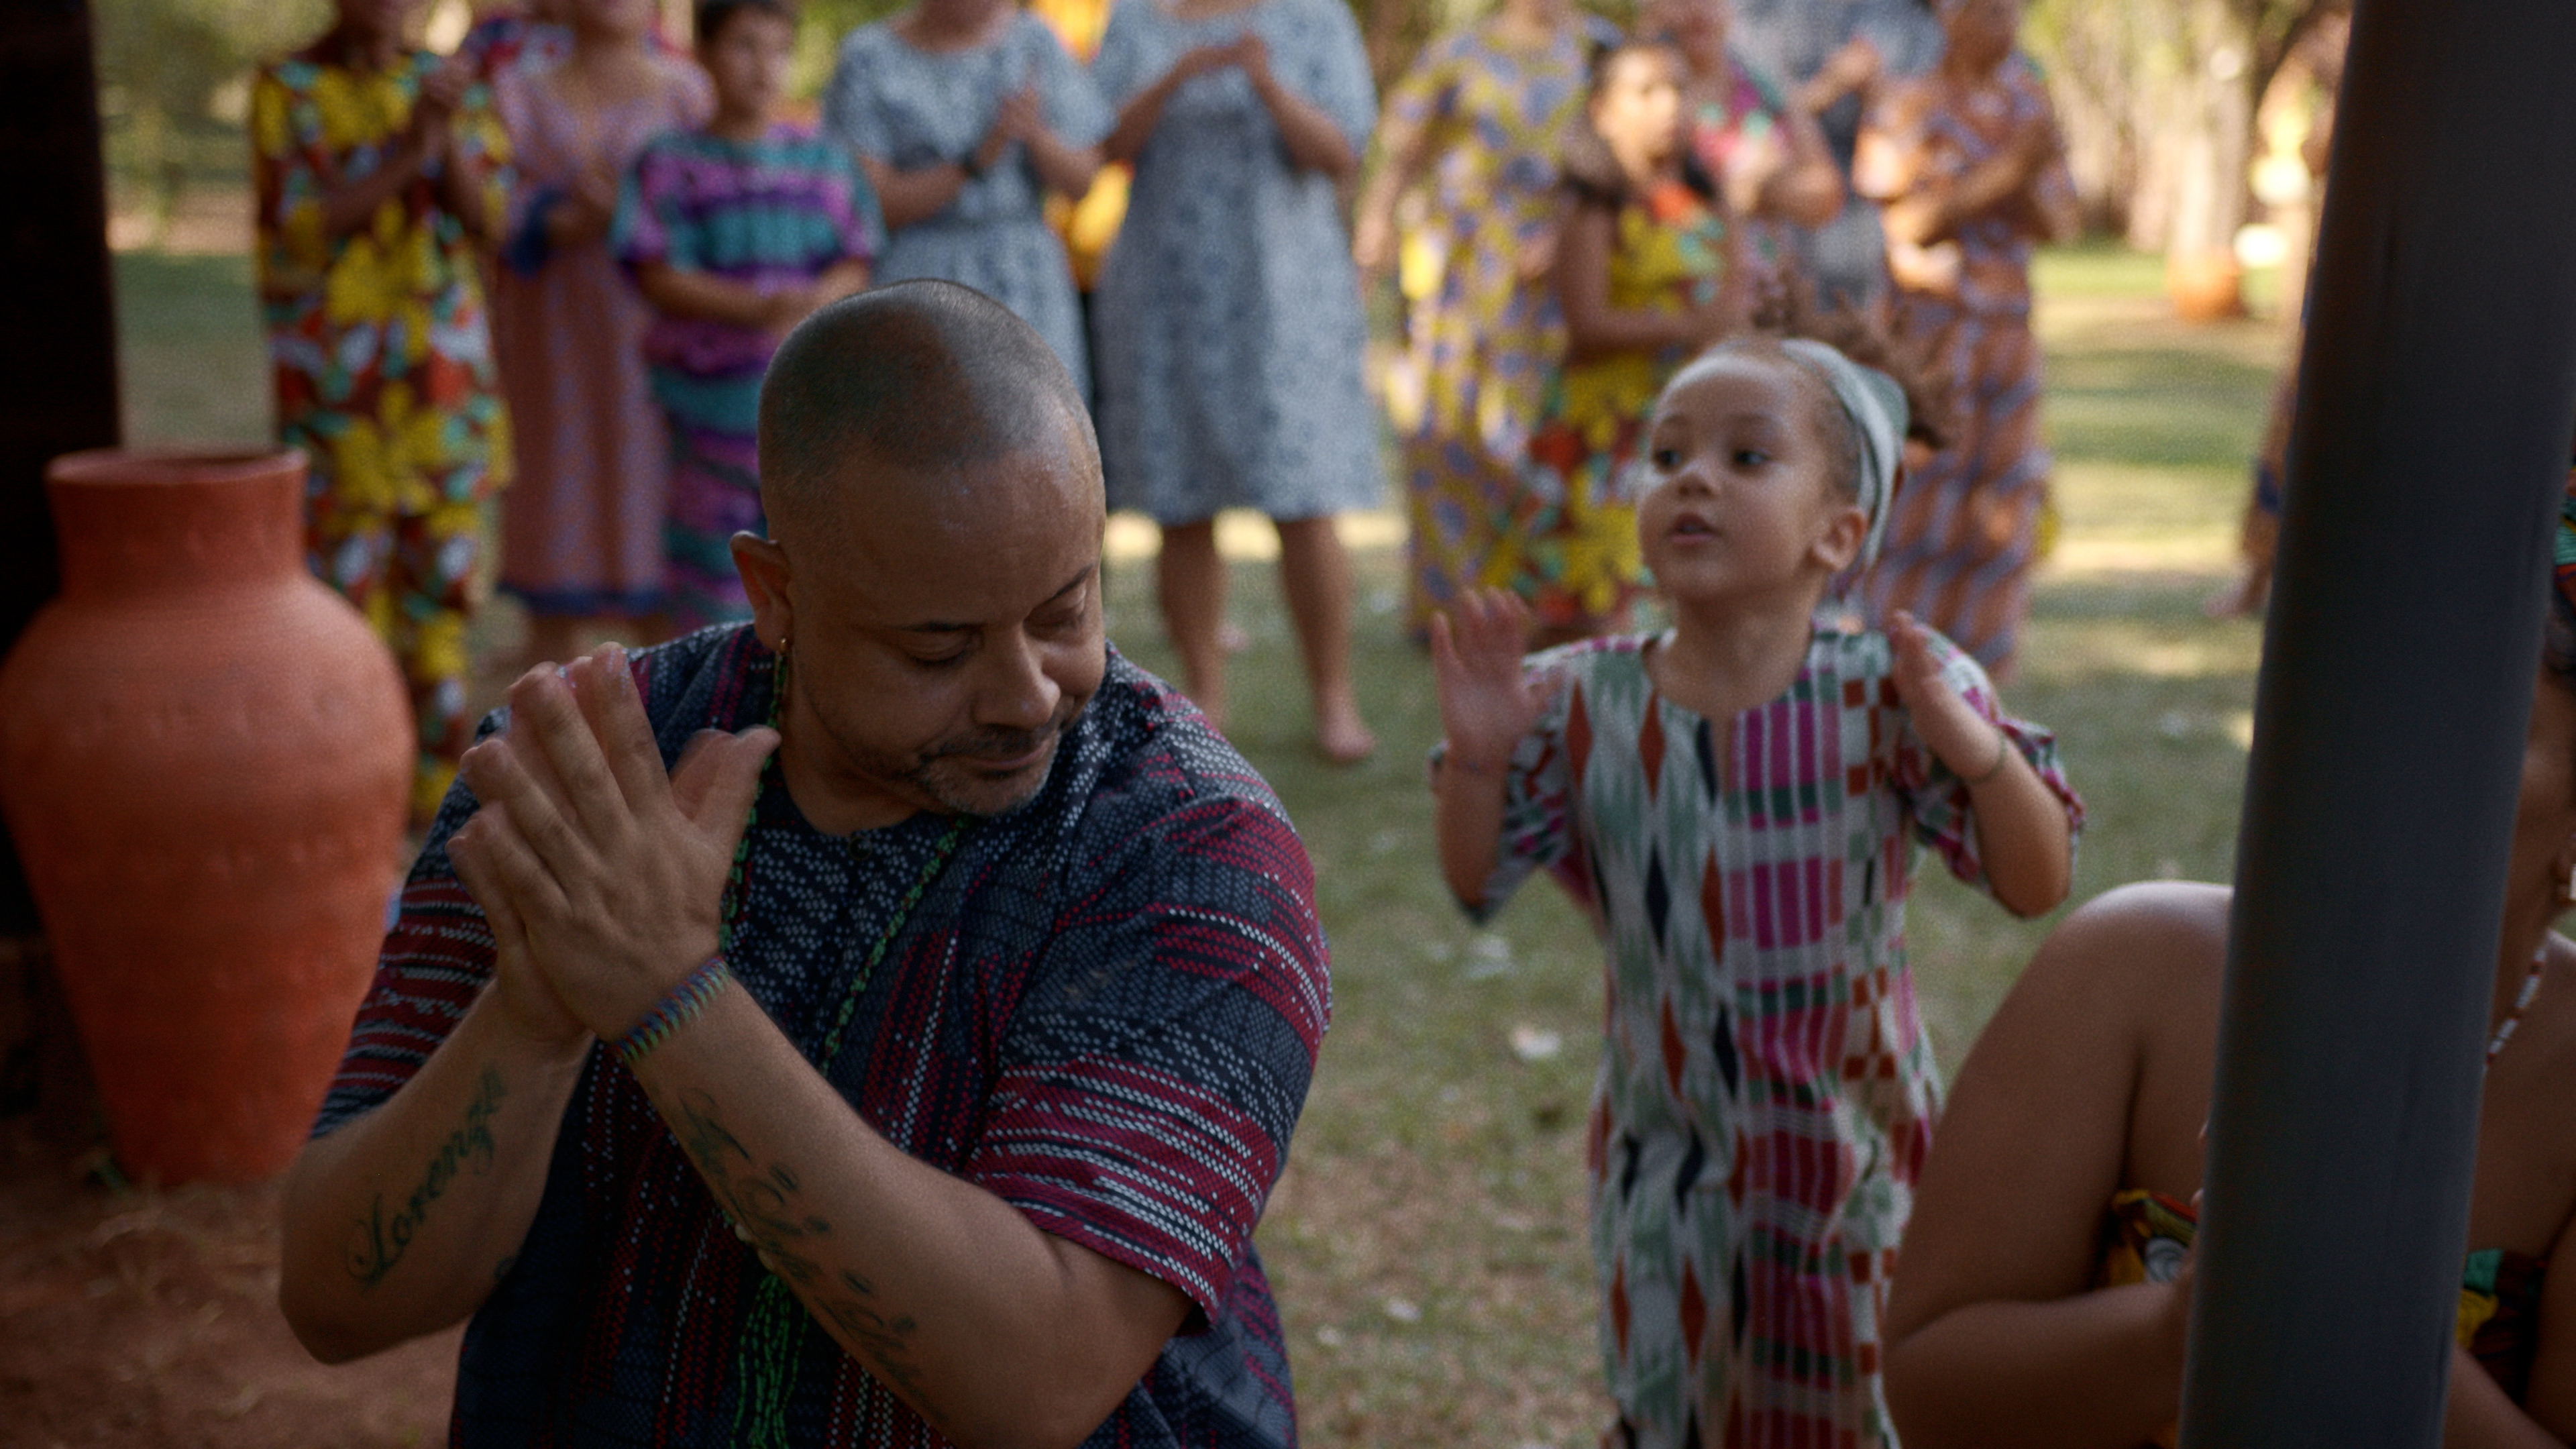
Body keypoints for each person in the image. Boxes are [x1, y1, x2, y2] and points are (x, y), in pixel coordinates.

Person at [276, 282, 1329, 1447]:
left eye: (1064, 610)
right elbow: (334, 1297)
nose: (1027, 692)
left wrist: (670, 998)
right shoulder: (582, 783)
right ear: (775, 592)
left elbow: (1041, 1379)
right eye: (939, 646)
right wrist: (531, 1014)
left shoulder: (1191, 852)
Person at [1429, 329, 2083, 1446]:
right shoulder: (1580, 703)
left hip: (1861, 1165)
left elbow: (2037, 880)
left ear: (1840, 534)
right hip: (1663, 1166)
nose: (1692, 477)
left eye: (1745, 458)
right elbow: (1473, 880)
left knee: (1857, 1412)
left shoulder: (1893, 695)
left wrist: (1977, 752)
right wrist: (1481, 762)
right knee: (1675, 1408)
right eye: (1668, 453)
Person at [1880, 492, 2576, 1448]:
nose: (2393, 747)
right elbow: (1932, 1392)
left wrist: (2376, 1327)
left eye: (2482, 721)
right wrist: (2187, 1328)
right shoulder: (2132, 973)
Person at [1089, 0, 1381, 762]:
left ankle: (1333, 697)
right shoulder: (1137, 20)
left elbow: (1341, 149)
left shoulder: (1313, 17)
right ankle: (1205, 699)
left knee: (1303, 497)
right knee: (1180, 501)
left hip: (1282, 291)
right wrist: (1173, 79)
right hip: (1165, 291)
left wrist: (1268, 87)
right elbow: (1100, 146)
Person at [252, 0, 513, 825]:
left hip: (445, 401)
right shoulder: (288, 89)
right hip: (344, 404)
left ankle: (436, 803)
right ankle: (348, 799)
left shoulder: (452, 88)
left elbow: (490, 223)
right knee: (344, 613)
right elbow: (297, 231)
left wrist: (443, 139)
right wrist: (413, 152)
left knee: (443, 613)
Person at [1351, 0, 1621, 639]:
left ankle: (1533, 606)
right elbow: (1403, 151)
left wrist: (1570, 234)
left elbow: (1623, 158)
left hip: (1563, 272)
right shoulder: (1458, 53)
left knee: (1533, 437)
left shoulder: (1600, 48)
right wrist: (1373, 235)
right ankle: (1452, 612)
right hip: (1462, 277)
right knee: (1447, 435)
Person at [616, 0, 879, 634]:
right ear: (702, 54)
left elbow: (857, 254)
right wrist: (755, 308)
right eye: (744, 47)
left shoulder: (822, 160)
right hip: (706, 412)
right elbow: (655, 269)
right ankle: (710, 697)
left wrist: (809, 305)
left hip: (810, 410)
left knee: (811, 558)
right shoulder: (671, 161)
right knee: (712, 564)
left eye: (778, 50)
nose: (764, 68)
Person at [1851, 0, 2078, 676]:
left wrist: (2025, 174)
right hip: (1930, 334)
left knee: (2001, 505)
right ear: (1947, 13)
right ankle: (1886, 659)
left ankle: (1980, 676)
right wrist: (2007, 173)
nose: (2003, 19)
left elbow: (2059, 224)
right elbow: (1909, 228)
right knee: (1916, 504)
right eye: (1986, 7)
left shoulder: (2029, 106)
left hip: (2007, 334)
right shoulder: (1908, 104)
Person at [490, 0, 711, 665]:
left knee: (651, 472)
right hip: (552, 326)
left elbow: (717, 193)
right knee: (558, 463)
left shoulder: (687, 92)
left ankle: (667, 676)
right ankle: (549, 651)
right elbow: (489, 200)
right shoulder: (518, 88)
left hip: (657, 330)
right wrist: (556, 223)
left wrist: (629, 217)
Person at [1517, 36, 1748, 644]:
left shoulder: (1708, 206)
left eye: (1678, 88)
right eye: (1646, 91)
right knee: (1589, 609)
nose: (1668, 105)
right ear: (1602, 112)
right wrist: (1688, 328)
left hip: (1688, 429)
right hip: (1605, 434)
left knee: (1664, 608)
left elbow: (1735, 302)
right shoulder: (1596, 210)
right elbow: (1588, 325)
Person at [820, 0, 1109, 396]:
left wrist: (1035, 134)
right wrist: (972, 164)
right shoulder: (870, 57)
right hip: (922, 286)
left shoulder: (1034, 41)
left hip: (1026, 281)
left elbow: (1083, 181)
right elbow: (868, 204)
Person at [1644, 0, 1843, 292]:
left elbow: (1825, 195)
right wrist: (1749, 187)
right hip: (1673, 303)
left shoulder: (1763, 83)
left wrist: (1759, 186)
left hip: (1763, 293)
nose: (1698, 11)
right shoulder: (1636, 86)